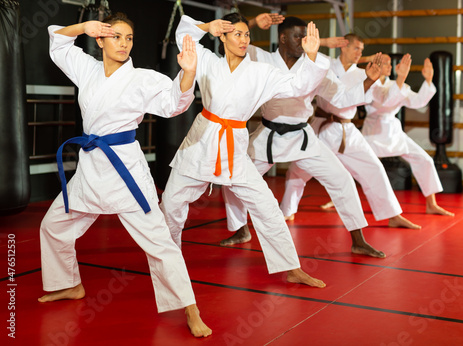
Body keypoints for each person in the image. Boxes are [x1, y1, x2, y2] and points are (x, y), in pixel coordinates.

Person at [39, 13, 211, 337]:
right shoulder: (87, 69)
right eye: (116, 36)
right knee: (53, 226)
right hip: (91, 169)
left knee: (160, 243)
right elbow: (59, 42)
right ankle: (68, 284)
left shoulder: (142, 78)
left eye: (129, 38)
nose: (124, 43)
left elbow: (175, 102)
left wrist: (188, 74)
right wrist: (81, 28)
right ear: (100, 39)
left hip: (125, 172)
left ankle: (191, 308)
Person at [160, 13, 328, 288]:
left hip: (235, 147)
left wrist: (310, 57)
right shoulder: (207, 61)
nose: (243, 39)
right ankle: (167, 263)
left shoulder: (261, 72)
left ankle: (291, 267)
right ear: (223, 37)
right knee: (172, 204)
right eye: (236, 34)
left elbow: (298, 86)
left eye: (246, 35)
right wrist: (205, 26)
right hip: (202, 141)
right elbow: (185, 39)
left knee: (266, 205)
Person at [220, 15, 385, 258]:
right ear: (283, 38)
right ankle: (241, 229)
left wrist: (369, 80)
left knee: (342, 179)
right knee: (233, 179)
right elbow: (232, 38)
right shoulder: (260, 58)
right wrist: (253, 23)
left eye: (306, 37)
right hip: (269, 134)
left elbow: (341, 98)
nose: (303, 41)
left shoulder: (316, 65)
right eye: (298, 36)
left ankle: (358, 239)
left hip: (302, 136)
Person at [283, 33, 422, 230]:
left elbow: (383, 100)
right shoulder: (327, 64)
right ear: (344, 46)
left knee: (374, 167)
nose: (360, 53)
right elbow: (299, 55)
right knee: (298, 169)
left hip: (347, 129)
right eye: (356, 48)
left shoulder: (363, 73)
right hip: (322, 127)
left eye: (362, 50)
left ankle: (393, 214)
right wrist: (321, 43)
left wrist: (400, 78)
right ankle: (287, 210)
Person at [362, 54, 454, 216]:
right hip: (373, 132)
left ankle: (431, 204)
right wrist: (401, 78)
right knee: (353, 165)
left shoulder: (398, 85)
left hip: (394, 131)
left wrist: (428, 80)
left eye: (390, 63)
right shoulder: (371, 84)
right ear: (375, 65)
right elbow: (386, 100)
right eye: (385, 63)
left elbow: (418, 102)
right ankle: (335, 199)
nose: (390, 66)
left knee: (424, 159)